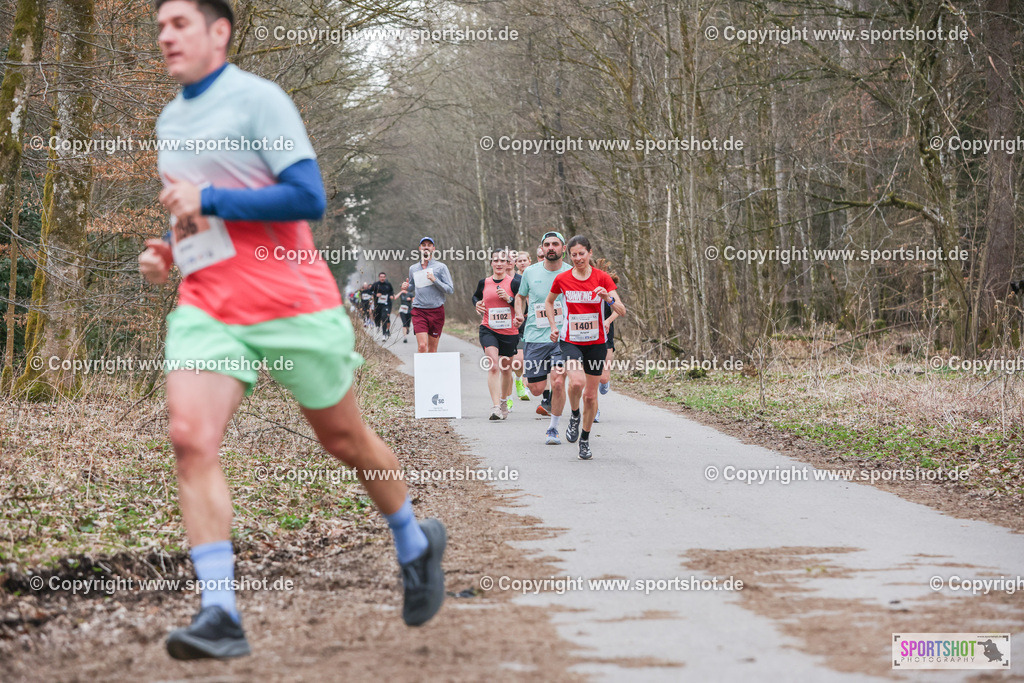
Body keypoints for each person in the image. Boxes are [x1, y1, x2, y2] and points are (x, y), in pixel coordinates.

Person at [141, 0, 446, 660]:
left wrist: (211, 200)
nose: (165, 35)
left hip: (290, 299)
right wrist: (169, 247)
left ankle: (414, 541)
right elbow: (193, 211)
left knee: (344, 438)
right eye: (159, 25)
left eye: (179, 24)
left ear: (219, 32)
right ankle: (219, 609)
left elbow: (308, 197)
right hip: (208, 304)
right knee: (190, 438)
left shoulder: (259, 99)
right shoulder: (170, 119)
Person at [545, 236, 625, 460]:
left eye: (582, 253)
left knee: (590, 396)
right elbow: (549, 302)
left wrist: (607, 298)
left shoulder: (603, 278)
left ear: (590, 253)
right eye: (574, 254)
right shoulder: (562, 278)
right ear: (568, 256)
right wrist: (553, 325)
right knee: (576, 382)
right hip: (571, 340)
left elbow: (622, 310)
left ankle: (585, 439)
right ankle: (574, 415)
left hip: (597, 343)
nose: (578, 258)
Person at [514, 231, 571, 444]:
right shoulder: (530, 272)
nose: (551, 248)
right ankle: (544, 385)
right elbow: (520, 296)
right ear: (542, 248)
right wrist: (519, 313)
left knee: (557, 381)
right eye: (547, 244)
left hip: (563, 336)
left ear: (563, 249)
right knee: (536, 389)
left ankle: (553, 429)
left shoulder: (571, 272)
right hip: (535, 336)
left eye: (555, 244)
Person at [473, 250, 520, 419]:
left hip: (509, 332)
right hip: (488, 328)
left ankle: (503, 400)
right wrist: (477, 304)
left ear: (508, 263)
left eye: (503, 260)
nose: (499, 263)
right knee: (493, 366)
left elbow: (524, 308)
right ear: (491, 263)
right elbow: (476, 297)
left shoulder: (514, 283)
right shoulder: (484, 282)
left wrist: (509, 299)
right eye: (495, 260)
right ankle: (495, 407)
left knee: (506, 368)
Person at [401, 237, 454, 353]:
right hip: (419, 310)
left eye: (429, 245)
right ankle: (421, 371)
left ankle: (431, 371)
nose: (426, 247)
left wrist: (435, 280)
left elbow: (450, 290)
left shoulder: (441, 267)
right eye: (423, 245)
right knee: (422, 346)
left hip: (437, 311)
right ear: (420, 248)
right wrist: (406, 287)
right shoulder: (413, 268)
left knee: (432, 349)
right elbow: (412, 287)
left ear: (433, 249)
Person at [592, 258, 620, 423]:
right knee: (592, 374)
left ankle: (605, 381)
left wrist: (608, 321)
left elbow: (618, 309)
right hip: (588, 332)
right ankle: (594, 409)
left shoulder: (605, 284)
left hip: (606, 329)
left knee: (603, 377)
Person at [370, 271, 394, 338]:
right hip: (377, 305)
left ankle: (384, 334)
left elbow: (391, 291)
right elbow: (370, 291)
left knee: (384, 318)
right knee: (377, 318)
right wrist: (375, 295)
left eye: (383, 277)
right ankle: (377, 326)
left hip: (385, 304)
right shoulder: (375, 284)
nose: (382, 278)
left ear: (385, 277)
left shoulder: (388, 284)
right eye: (381, 277)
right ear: (379, 277)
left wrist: (391, 295)